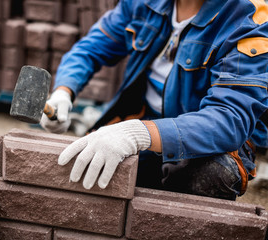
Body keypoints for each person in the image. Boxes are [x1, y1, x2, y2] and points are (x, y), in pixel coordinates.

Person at [40, 0, 268, 200]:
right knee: (94, 162)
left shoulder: (250, 20)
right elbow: (92, 47)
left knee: (214, 172)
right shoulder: (143, 2)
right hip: (144, 117)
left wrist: (138, 134)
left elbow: (229, 119)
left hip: (207, 141)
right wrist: (63, 92)